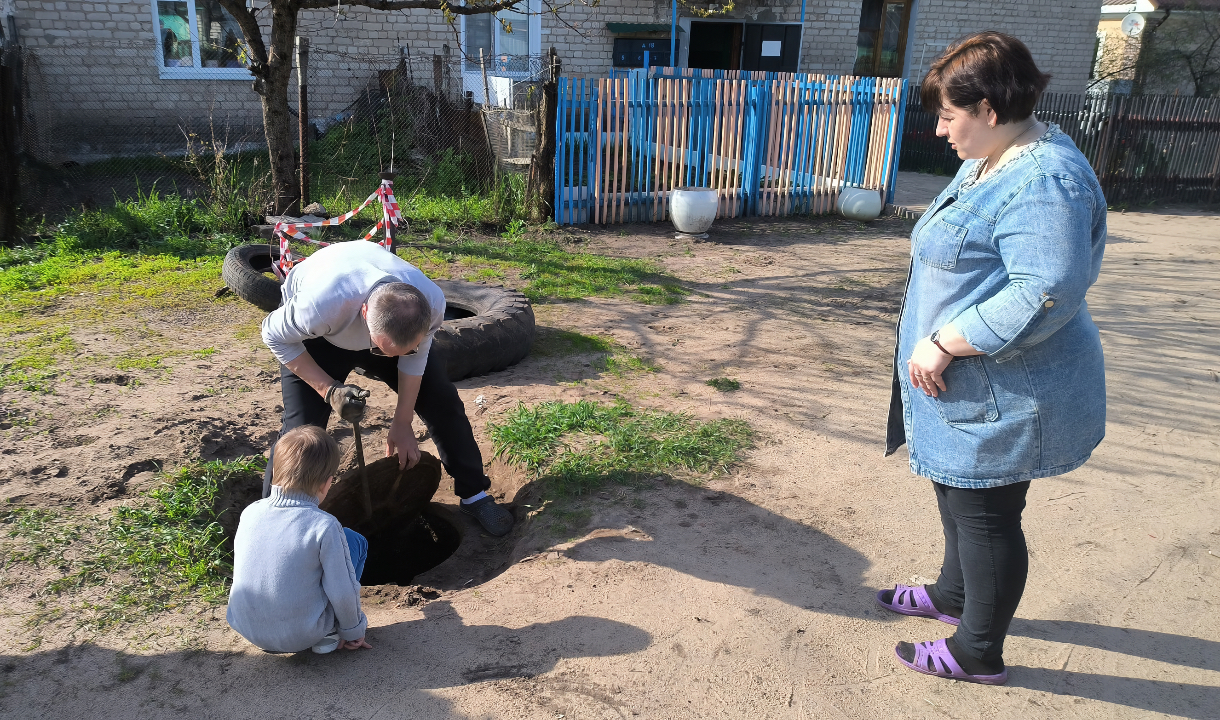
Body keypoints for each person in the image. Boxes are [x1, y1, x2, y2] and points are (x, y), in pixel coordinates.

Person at [877, 32, 1107, 685]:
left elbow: (1045, 290)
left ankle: (978, 650)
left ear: (988, 108)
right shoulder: (994, 156)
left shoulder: (1043, 179)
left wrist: (947, 339)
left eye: (949, 115)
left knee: (985, 515)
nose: (941, 129)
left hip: (1005, 391)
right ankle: (954, 597)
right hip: (968, 388)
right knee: (960, 496)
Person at [260, 239, 514, 536]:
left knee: (442, 401)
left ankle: (474, 495)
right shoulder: (319, 305)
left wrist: (403, 422)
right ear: (365, 312)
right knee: (300, 429)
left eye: (403, 351)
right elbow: (273, 335)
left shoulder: (429, 302)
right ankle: (273, 525)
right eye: (383, 352)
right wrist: (329, 390)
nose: (388, 361)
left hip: (388, 333)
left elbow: (415, 360)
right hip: (316, 340)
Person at [227, 425, 373, 654]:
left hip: (247, 627)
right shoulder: (325, 525)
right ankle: (330, 633)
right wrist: (354, 630)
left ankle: (273, 629)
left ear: (275, 473)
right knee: (354, 541)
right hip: (301, 634)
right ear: (327, 483)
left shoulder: (250, 512)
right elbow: (342, 590)